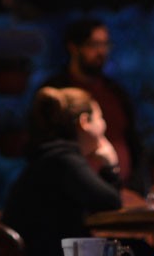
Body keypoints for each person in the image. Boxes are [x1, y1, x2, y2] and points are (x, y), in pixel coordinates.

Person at [2, 87, 124, 256]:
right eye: (100, 117)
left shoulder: (49, 158)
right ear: (85, 122)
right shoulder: (64, 161)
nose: (104, 125)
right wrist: (110, 166)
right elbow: (110, 203)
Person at [40, 18, 146, 194]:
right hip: (78, 194)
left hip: (122, 188)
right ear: (74, 47)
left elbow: (133, 141)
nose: (101, 51)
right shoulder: (57, 93)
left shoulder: (115, 91)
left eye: (105, 44)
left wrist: (135, 185)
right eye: (94, 44)